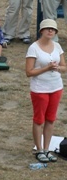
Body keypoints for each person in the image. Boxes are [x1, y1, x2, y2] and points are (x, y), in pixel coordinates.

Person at [26, 19, 65, 163]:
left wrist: (57, 68)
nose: (50, 31)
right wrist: (46, 68)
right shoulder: (33, 48)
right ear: (41, 30)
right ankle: (39, 149)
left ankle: (47, 149)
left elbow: (64, 67)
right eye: (48, 29)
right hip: (40, 89)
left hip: (56, 87)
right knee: (39, 120)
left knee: (50, 119)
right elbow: (29, 72)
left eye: (53, 29)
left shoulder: (57, 46)